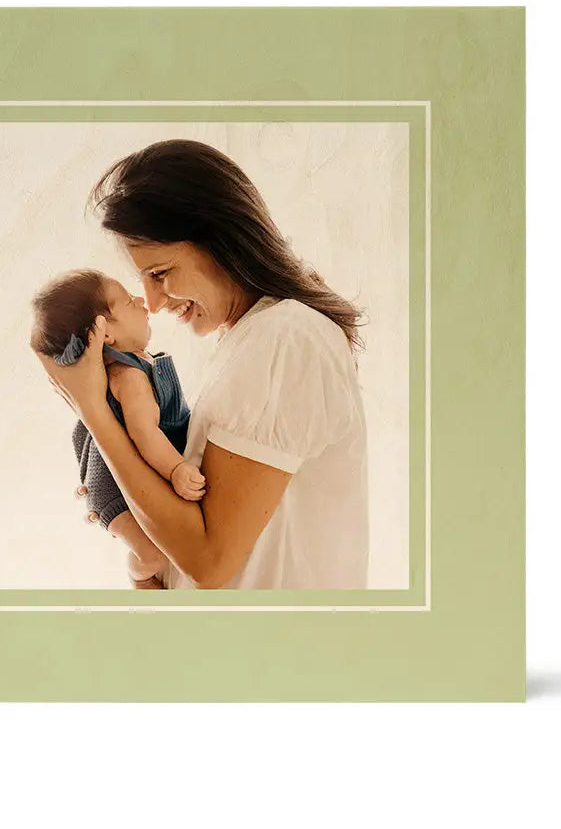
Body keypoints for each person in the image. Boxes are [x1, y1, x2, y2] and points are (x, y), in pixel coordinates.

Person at [36, 139, 369, 589]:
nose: (152, 302)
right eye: (142, 280)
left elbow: (209, 563)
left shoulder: (286, 338)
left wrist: (93, 411)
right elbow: (197, 548)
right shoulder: (248, 341)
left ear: (219, 239)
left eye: (160, 273)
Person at [30, 268, 205, 587]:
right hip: (112, 491)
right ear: (104, 333)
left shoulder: (138, 364)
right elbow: (145, 434)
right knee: (154, 554)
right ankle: (138, 575)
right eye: (127, 301)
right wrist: (177, 468)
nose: (140, 300)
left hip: (121, 473)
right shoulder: (129, 377)